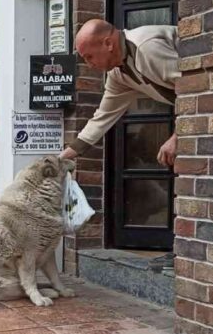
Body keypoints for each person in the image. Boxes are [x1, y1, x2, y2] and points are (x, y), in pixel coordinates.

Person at [58, 19, 180, 271]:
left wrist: (178, 136)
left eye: (90, 56)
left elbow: (197, 87)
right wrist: (64, 157)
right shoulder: (118, 74)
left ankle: (185, 250)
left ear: (108, 43)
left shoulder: (146, 47)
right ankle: (182, 249)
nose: (89, 64)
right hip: (197, 114)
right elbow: (102, 117)